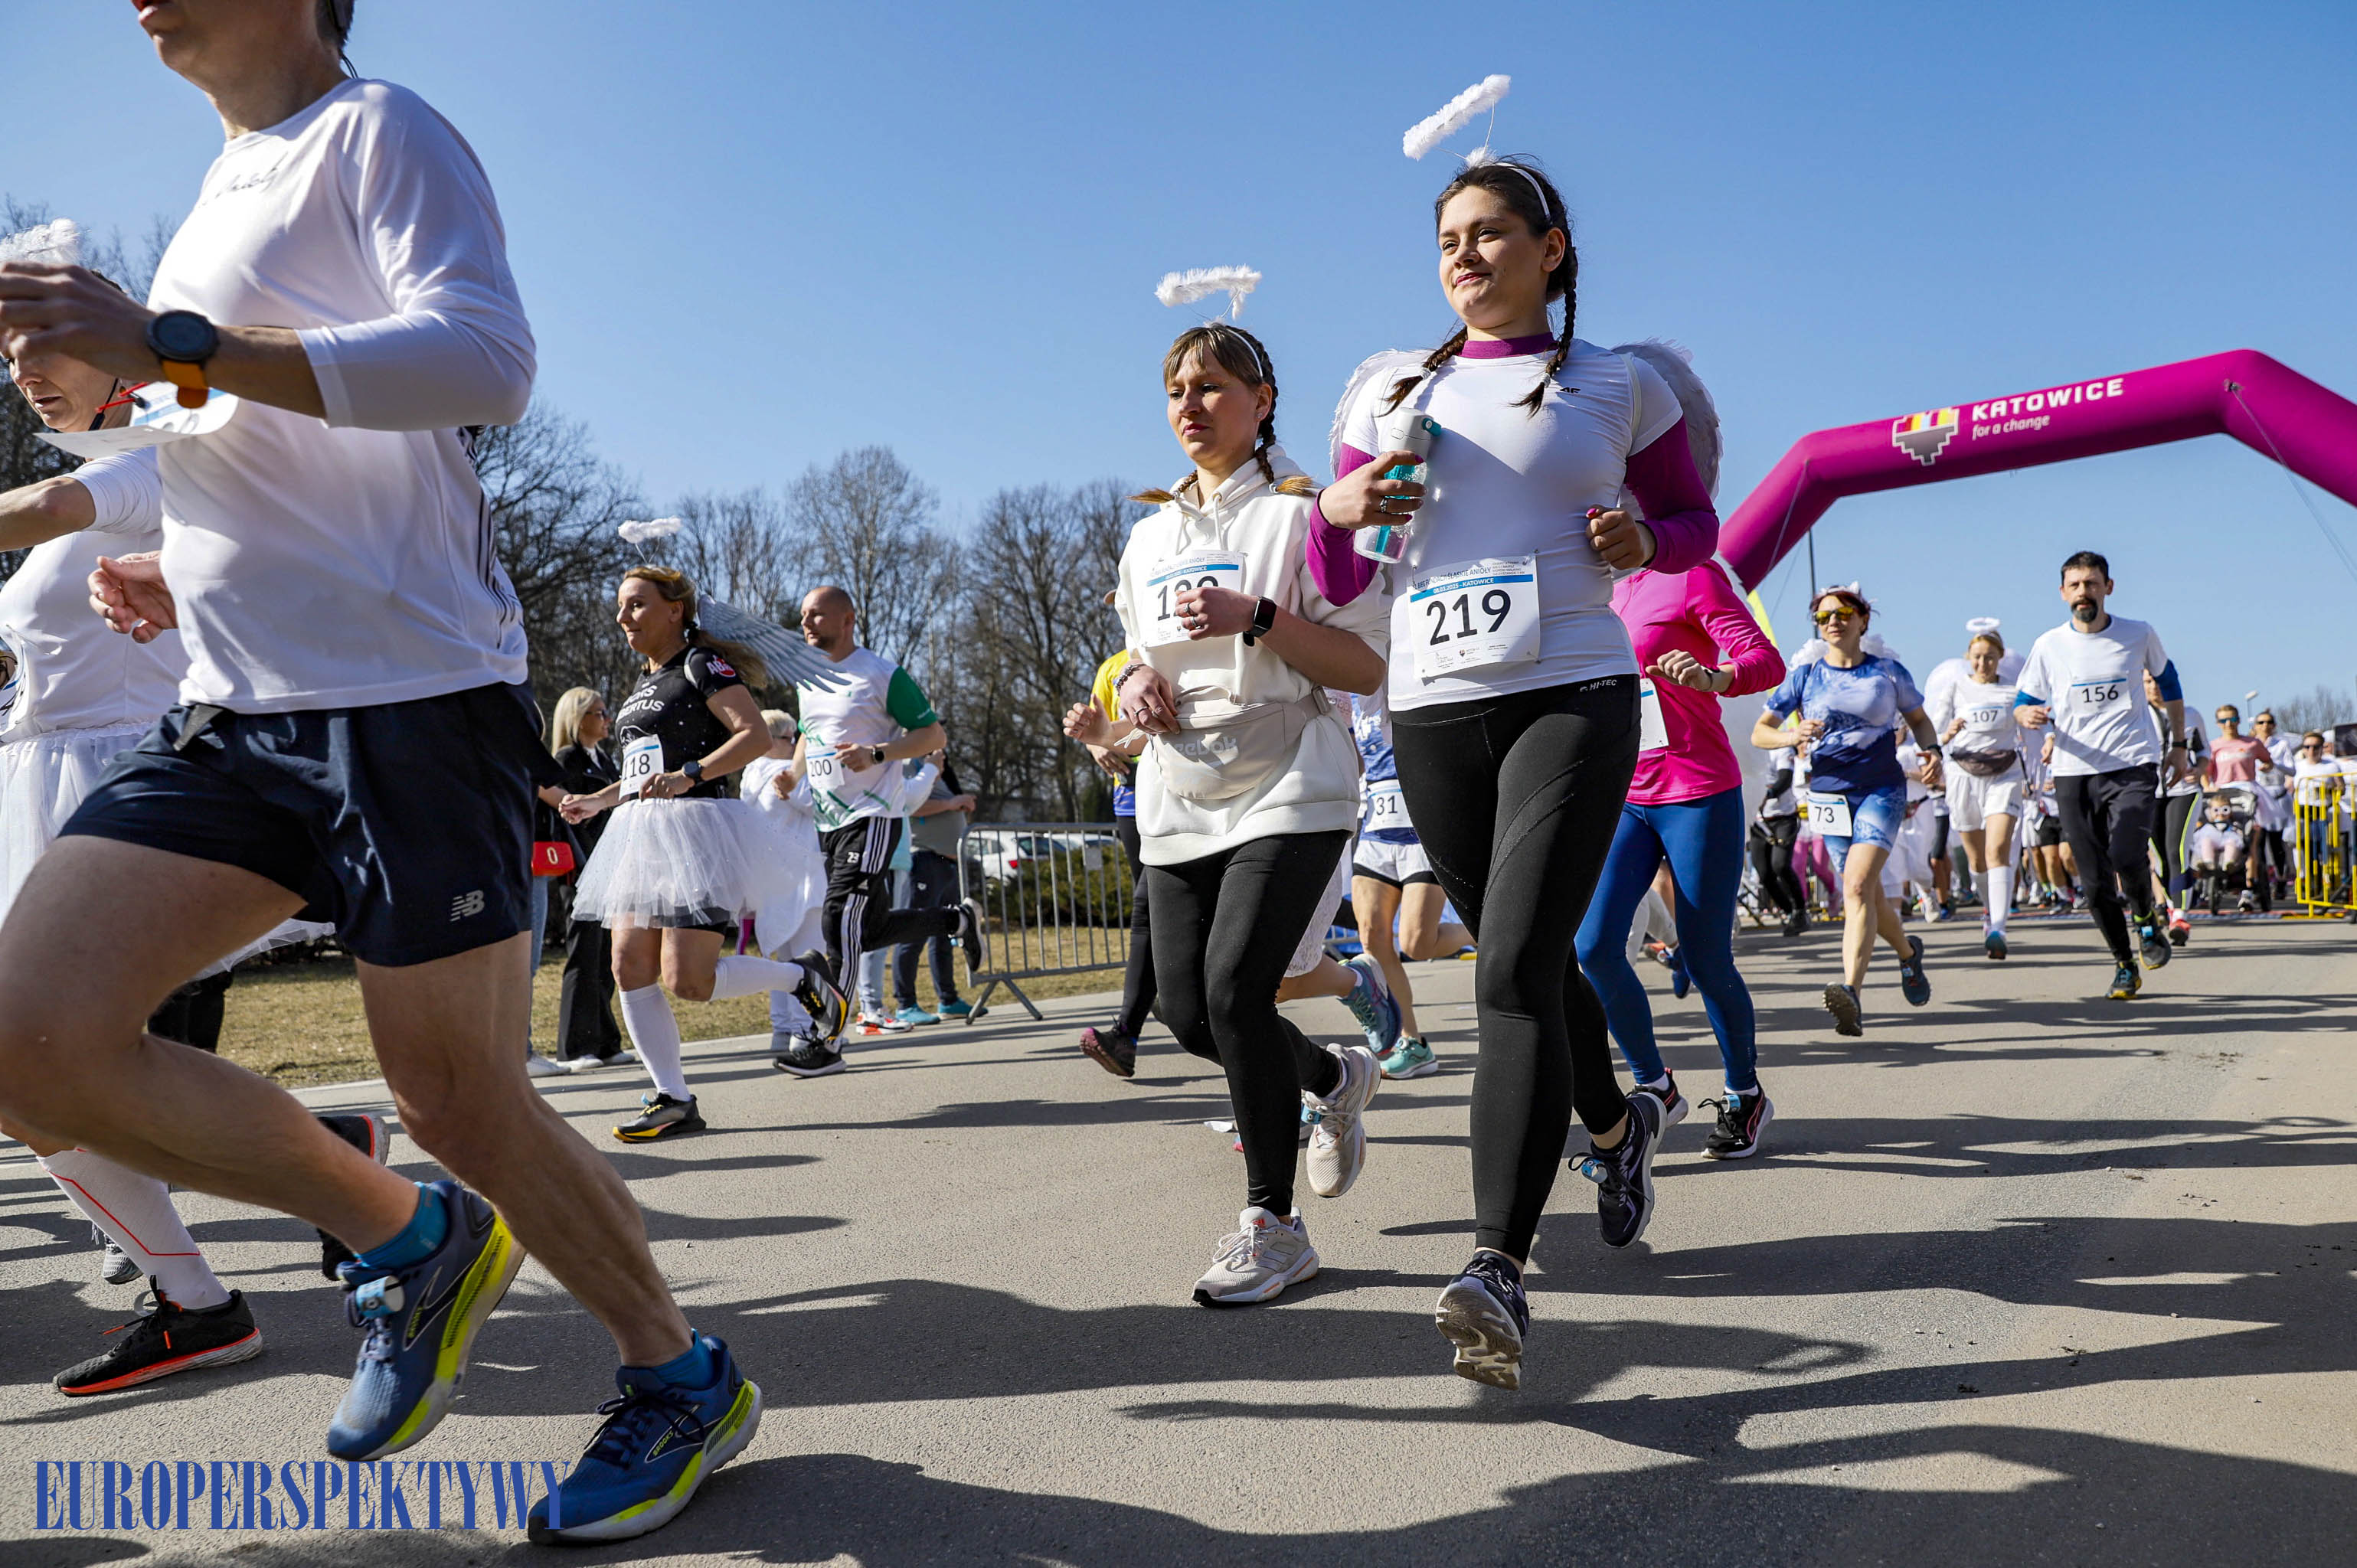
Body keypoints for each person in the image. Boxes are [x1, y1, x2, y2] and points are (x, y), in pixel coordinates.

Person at [0, 8, 755, 1540]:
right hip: (235, 714)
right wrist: (153, 514)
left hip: (410, 697)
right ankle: (409, 1239)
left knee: (462, 1097)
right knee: (28, 1040)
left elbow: (486, 359)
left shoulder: (376, 129)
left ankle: (680, 1377)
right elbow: (235, 428)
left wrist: (168, 345)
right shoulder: (218, 192)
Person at [1309, 158, 1721, 1388]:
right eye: (1448, 237)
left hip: (1572, 692)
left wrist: (1644, 537)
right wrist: (1339, 507)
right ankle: (1617, 1122)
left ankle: (1495, 1266)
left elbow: (1692, 523)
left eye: (1491, 233)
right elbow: (1338, 578)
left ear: (1552, 249)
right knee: (1522, 964)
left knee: (1505, 974)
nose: (1465, 254)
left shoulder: (1618, 383)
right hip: (1432, 707)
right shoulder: (1389, 385)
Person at [1064, 318, 1389, 1311]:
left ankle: (1273, 1227)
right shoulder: (1148, 537)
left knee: (1238, 988)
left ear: (1262, 401)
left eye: (1210, 386)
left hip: (1290, 776)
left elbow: (1365, 664)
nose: (1190, 406)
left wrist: (1260, 618)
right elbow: (1134, 656)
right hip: (1179, 788)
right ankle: (1332, 1078)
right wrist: (1130, 688)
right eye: (1176, 390)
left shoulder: (1303, 516)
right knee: (1187, 1013)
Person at [562, 567, 842, 1138]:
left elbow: (754, 736)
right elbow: (643, 774)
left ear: (675, 610)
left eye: (637, 605)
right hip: (640, 835)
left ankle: (801, 977)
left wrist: (691, 773)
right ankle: (673, 1098)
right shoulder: (641, 683)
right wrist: (598, 800)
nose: (623, 617)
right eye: (621, 607)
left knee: (689, 980)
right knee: (626, 966)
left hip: (698, 832)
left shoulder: (702, 664)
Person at [1576, 547, 1785, 1159]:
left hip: (1697, 790)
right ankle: (1656, 1087)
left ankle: (1745, 1094)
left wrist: (1714, 678)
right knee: (1593, 948)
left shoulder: (1690, 575)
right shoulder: (1587, 587)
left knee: (1704, 957)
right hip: (1624, 793)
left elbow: (1765, 661)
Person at [780, 583, 982, 1078]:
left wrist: (878, 754)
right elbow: (809, 733)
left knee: (839, 918)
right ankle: (956, 920)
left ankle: (828, 1040)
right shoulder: (807, 678)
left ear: (847, 619)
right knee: (869, 930)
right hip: (830, 821)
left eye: (816, 614)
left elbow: (932, 735)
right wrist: (793, 771)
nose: (806, 623)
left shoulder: (880, 674)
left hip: (873, 816)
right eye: (803, 615)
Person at [1752, 590, 1942, 1034]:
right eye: (1823, 617)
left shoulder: (1887, 672)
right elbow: (1762, 732)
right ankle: (1909, 954)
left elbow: (1918, 719)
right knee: (1866, 894)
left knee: (1856, 886)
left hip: (1880, 790)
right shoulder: (1805, 677)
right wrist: (1793, 735)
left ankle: (1851, 992)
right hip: (1828, 797)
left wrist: (1932, 750)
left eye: (1842, 614)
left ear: (1863, 620)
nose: (1832, 622)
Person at [2016, 550, 2186, 1001]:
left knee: (2127, 854)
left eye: (2092, 584)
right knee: (2093, 882)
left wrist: (2180, 745)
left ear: (2108, 588)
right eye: (2075, 586)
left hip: (2131, 762)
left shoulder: (2138, 633)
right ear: (2062, 593)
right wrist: (2025, 714)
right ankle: (2124, 963)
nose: (2083, 593)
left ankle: (2146, 921)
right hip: (2073, 771)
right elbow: (2023, 700)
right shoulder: (2048, 645)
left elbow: (2169, 683)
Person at [1345, 684, 1469, 1079]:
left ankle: (1483, 933)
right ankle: (1411, 1043)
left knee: (1417, 944)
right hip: (1376, 830)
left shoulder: (1416, 678)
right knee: (1373, 939)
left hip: (1423, 831)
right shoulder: (1351, 692)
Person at [740, 709, 846, 1062]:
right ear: (771, 741)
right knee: (808, 959)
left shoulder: (748, 775)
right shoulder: (788, 774)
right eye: (790, 739)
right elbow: (823, 806)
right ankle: (806, 1030)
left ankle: (782, 1028)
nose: (796, 745)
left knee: (782, 963)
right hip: (801, 879)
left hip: (770, 881)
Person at [1078, 648, 1159, 1076]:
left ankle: (1130, 1030)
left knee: (1153, 905)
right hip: (1130, 796)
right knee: (1153, 906)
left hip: (1178, 788)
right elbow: (1098, 730)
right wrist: (1096, 747)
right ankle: (1140, 1020)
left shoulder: (1170, 650)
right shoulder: (1111, 666)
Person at [1931, 629, 2030, 959]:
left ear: (2000, 657)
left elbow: (2029, 728)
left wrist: (2043, 745)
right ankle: (1989, 911)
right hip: (1964, 775)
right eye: (1977, 657)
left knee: (1997, 849)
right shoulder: (1956, 687)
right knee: (1976, 859)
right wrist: (1947, 734)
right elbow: (1935, 733)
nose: (1983, 663)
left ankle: (1999, 928)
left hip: (2004, 774)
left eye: (1990, 657)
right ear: (1968, 658)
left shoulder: (2013, 691)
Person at [546, 687, 630, 1069]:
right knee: (583, 953)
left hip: (610, 865)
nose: (607, 719)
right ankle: (576, 1047)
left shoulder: (605, 760)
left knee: (606, 953)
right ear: (579, 719)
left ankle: (605, 1042)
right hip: (581, 868)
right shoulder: (567, 760)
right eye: (600, 712)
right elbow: (569, 817)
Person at [891, 750, 976, 1025]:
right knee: (913, 932)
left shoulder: (937, 766)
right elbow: (907, 805)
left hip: (947, 862)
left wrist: (958, 804)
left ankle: (948, 1000)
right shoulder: (908, 764)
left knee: (944, 934)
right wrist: (952, 804)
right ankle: (905, 1004)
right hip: (925, 858)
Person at [2146, 669, 2208, 943]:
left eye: (2158, 681)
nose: (2154, 687)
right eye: (2148, 682)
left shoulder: (2190, 714)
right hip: (2149, 793)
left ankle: (2180, 916)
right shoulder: (2136, 715)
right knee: (2160, 856)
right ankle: (2172, 907)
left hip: (2184, 790)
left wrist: (2200, 769)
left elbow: (2204, 751)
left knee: (2177, 850)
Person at [2207, 704, 2279, 911]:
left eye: (2232, 719)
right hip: (2223, 797)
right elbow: (2206, 772)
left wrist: (2266, 766)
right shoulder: (2214, 746)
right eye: (2223, 720)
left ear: (2238, 720)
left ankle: (2249, 887)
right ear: (2217, 723)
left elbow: (2268, 761)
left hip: (2248, 795)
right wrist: (2208, 787)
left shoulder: (2252, 743)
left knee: (2251, 841)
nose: (2228, 724)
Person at [1750, 743, 1808, 936]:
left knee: (1780, 865)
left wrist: (1768, 794)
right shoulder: (1748, 747)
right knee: (1764, 873)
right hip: (1758, 822)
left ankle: (1800, 909)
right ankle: (1791, 913)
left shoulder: (1781, 748)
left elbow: (1785, 779)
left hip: (1783, 818)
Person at [2188, 794, 2247, 910]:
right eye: (2216, 810)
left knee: (2232, 843)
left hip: (2228, 841)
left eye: (2224, 810)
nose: (2220, 813)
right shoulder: (2207, 826)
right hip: (2211, 842)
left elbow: (2240, 836)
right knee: (2206, 841)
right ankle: (2207, 861)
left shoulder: (2233, 825)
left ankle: (2229, 863)